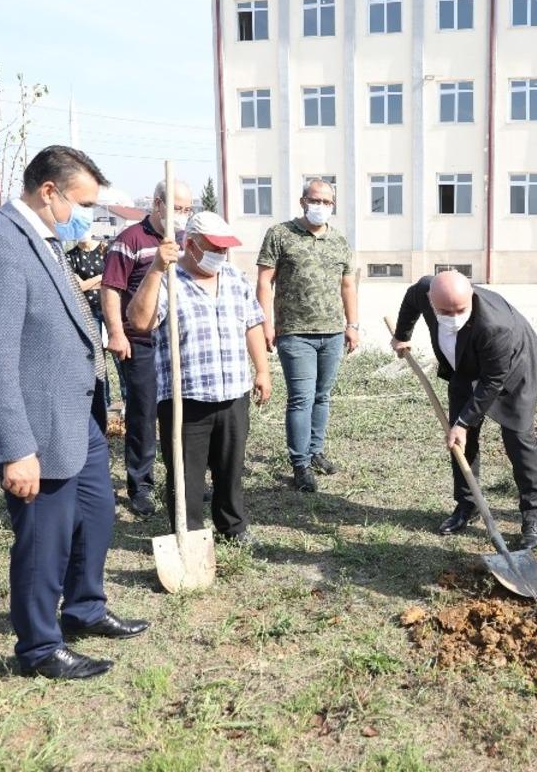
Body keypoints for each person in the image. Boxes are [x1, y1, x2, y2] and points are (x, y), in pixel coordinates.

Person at [0, 145, 148, 680]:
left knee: (98, 515)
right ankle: (38, 648)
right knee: (43, 538)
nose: (88, 215)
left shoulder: (45, 239)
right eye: (82, 203)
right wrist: (16, 448)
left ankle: (84, 608)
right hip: (35, 424)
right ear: (49, 191)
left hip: (74, 415)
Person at [126, 212, 271, 543]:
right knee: (185, 473)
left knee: (230, 469)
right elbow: (140, 321)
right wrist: (156, 269)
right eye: (214, 248)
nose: (220, 255)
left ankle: (232, 526)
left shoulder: (233, 277)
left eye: (224, 248)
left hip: (233, 390)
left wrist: (262, 369)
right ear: (189, 245)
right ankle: (188, 532)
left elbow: (252, 323)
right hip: (186, 396)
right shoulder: (167, 280)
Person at [390, 271, 537, 549]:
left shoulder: (497, 326)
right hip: (463, 364)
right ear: (432, 299)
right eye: (444, 311)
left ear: (471, 297)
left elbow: (492, 381)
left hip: (513, 369)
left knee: (518, 439)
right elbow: (411, 301)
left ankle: (532, 517)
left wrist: (464, 421)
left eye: (460, 309)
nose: (452, 316)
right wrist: (402, 335)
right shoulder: (426, 291)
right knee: (461, 440)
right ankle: (467, 505)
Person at [256, 179, 358, 493]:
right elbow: (264, 282)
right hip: (295, 333)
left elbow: (348, 285)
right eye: (317, 200)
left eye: (328, 202)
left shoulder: (339, 240)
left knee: (322, 396)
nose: (322, 206)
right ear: (303, 201)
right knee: (301, 399)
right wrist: (265, 325)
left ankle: (315, 452)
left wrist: (352, 325)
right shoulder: (280, 234)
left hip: (332, 333)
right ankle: (300, 464)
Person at [101, 179, 193, 516]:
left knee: (182, 414)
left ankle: (184, 479)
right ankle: (140, 485)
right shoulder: (130, 240)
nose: (181, 216)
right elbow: (111, 287)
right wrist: (116, 332)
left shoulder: (185, 241)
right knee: (143, 415)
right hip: (140, 342)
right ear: (157, 204)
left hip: (179, 343)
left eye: (186, 210)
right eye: (176, 209)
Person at [65, 230, 112, 406]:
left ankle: (125, 399)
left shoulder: (104, 250)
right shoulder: (71, 256)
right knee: (97, 356)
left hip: (109, 308)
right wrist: (101, 277)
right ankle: (104, 400)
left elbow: (112, 278)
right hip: (88, 311)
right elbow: (77, 287)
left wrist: (89, 282)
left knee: (118, 355)